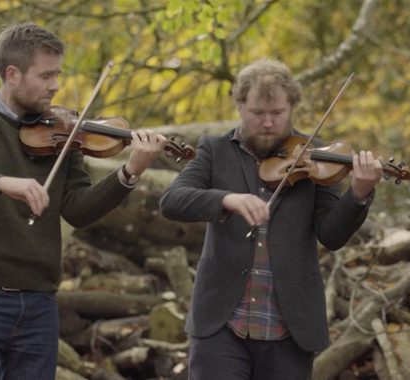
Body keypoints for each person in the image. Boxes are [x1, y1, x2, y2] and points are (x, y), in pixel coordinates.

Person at [0, 22, 168, 379]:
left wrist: (129, 173)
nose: (56, 85)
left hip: (38, 301)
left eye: (58, 74)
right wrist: (3, 183)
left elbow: (79, 210)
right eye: (46, 75)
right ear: (13, 74)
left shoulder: (64, 133)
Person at [158, 58, 385, 380]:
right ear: (239, 106)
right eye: (257, 114)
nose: (268, 123)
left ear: (292, 107)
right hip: (221, 324)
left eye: (277, 114)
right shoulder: (214, 149)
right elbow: (171, 201)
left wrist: (358, 194)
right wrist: (226, 198)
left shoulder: (318, 157)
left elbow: (332, 235)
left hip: (288, 328)